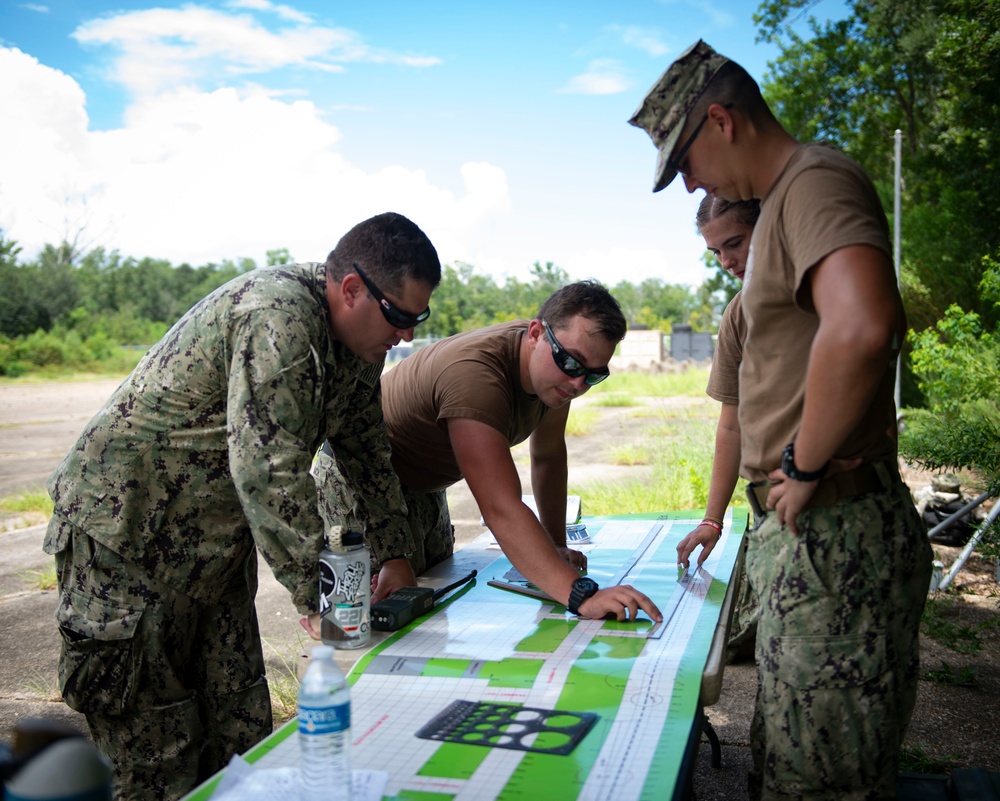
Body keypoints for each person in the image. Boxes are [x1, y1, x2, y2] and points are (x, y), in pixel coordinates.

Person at [43, 212, 441, 801]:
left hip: (214, 553)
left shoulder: (360, 347)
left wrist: (396, 554)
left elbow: (365, 452)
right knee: (158, 760)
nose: (407, 335)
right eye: (401, 316)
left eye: (419, 319)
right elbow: (269, 466)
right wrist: (317, 595)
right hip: (126, 544)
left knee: (243, 742)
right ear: (352, 289)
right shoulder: (276, 315)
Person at [630, 41, 932, 800]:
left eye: (686, 162)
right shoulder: (791, 206)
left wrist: (800, 466)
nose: (690, 182)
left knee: (822, 777)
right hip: (810, 533)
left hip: (835, 525)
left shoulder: (813, 181)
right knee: (793, 752)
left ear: (722, 120)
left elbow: (863, 327)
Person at [315, 281, 663, 623]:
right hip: (360, 484)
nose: (577, 384)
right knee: (365, 621)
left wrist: (556, 544)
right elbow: (500, 507)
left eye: (593, 375)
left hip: (424, 485)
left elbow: (549, 455)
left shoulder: (556, 373)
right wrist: (582, 595)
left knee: (429, 609)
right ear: (536, 333)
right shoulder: (477, 376)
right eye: (573, 365)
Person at [675, 195, 759, 660]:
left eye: (736, 244)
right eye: (716, 252)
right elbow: (732, 426)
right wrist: (713, 519)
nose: (728, 262)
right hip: (771, 508)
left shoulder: (820, 293)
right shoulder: (739, 314)